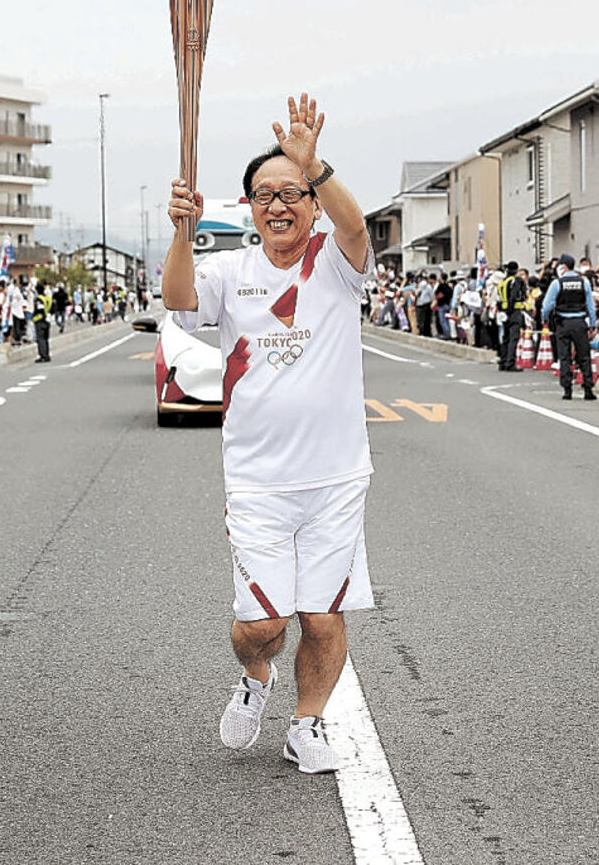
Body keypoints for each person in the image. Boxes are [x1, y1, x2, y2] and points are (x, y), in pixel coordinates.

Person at [162, 92, 374, 774]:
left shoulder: (337, 266)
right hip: (257, 480)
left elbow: (358, 228)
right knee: (263, 625)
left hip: (336, 476)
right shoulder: (229, 272)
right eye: (264, 195)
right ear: (250, 208)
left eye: (292, 192)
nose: (278, 205)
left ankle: (306, 725)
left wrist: (318, 165)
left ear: (311, 202)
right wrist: (180, 233)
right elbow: (179, 304)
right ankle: (257, 678)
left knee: (321, 617)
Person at [542, 253, 597, 400]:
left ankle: (567, 389)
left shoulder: (557, 283)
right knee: (584, 356)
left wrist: (545, 319)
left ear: (564, 266)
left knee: (564, 356)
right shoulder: (583, 281)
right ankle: (588, 389)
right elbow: (590, 305)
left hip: (563, 323)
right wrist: (592, 323)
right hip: (580, 322)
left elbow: (547, 305)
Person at [497, 261, 529, 372]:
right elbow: (515, 296)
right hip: (514, 311)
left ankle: (503, 361)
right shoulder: (516, 281)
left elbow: (499, 299)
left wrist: (503, 311)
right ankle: (510, 363)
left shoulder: (502, 282)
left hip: (504, 312)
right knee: (513, 338)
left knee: (505, 338)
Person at [32, 280, 52, 363]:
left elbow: (39, 310)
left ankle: (42, 355)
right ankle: (47, 355)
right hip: (47, 319)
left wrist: (34, 317)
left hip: (40, 320)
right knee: (46, 338)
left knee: (41, 339)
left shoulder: (39, 299)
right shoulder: (48, 298)